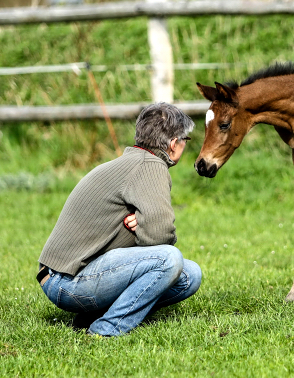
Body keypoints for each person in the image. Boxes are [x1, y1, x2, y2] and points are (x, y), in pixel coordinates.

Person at [36, 102, 201, 336]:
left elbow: (153, 233)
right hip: (67, 282)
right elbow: (161, 236)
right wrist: (146, 226)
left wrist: (143, 224)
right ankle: (107, 329)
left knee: (190, 275)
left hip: (61, 277)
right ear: (174, 144)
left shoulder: (134, 161)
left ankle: (91, 316)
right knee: (169, 259)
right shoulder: (150, 166)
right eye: (186, 140)